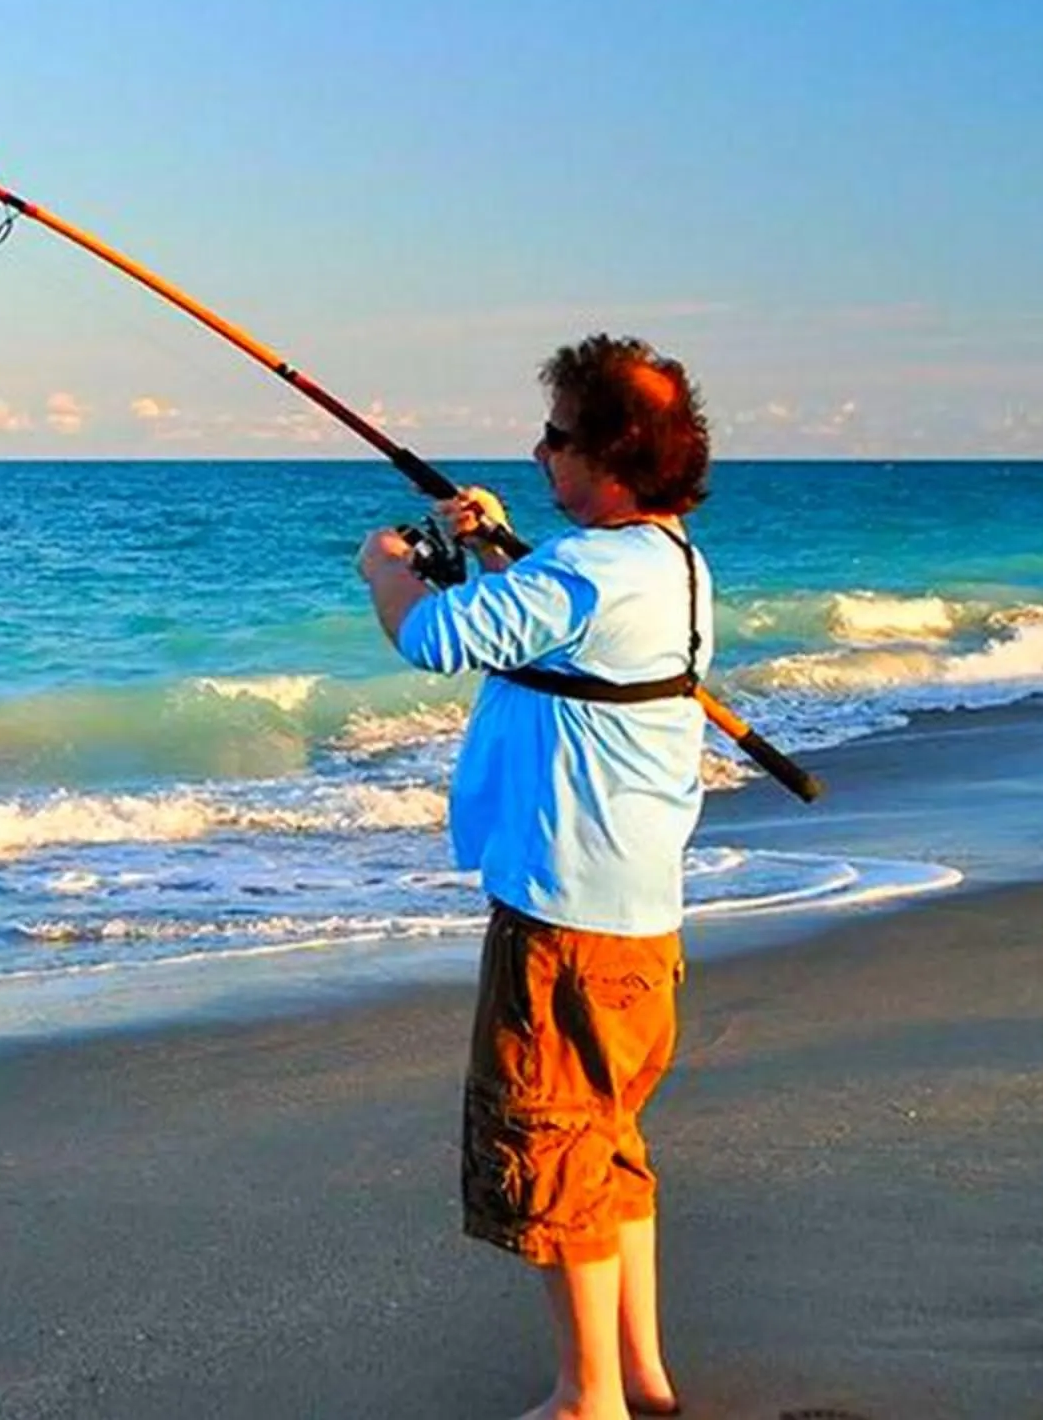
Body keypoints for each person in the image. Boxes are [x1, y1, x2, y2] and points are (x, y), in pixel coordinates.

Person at [355, 334, 716, 1420]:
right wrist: (505, 545)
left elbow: (433, 637)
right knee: (609, 1146)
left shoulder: (585, 574)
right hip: (639, 924)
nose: (538, 450)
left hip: (561, 921)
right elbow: (563, 630)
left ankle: (585, 1397)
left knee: (552, 1149)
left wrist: (386, 569)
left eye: (556, 436)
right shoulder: (670, 563)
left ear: (609, 456)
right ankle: (639, 1375)